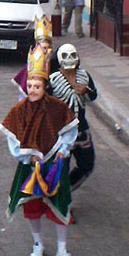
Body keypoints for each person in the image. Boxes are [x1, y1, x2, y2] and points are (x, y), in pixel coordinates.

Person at [0, 31, 80, 256]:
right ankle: (37, 243)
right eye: (30, 86)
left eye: (37, 86)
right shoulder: (19, 110)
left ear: (46, 87)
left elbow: (68, 131)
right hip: (30, 165)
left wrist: (63, 150)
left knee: (59, 204)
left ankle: (62, 250)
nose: (32, 90)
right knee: (33, 205)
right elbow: (13, 140)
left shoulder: (58, 108)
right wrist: (27, 155)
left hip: (54, 164)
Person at [48, 43, 98, 190]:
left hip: (81, 128)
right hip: (60, 131)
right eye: (65, 56)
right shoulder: (52, 79)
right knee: (61, 167)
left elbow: (93, 95)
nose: (69, 59)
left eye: (72, 56)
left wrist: (85, 90)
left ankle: (66, 191)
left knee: (87, 164)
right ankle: (59, 199)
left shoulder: (84, 76)